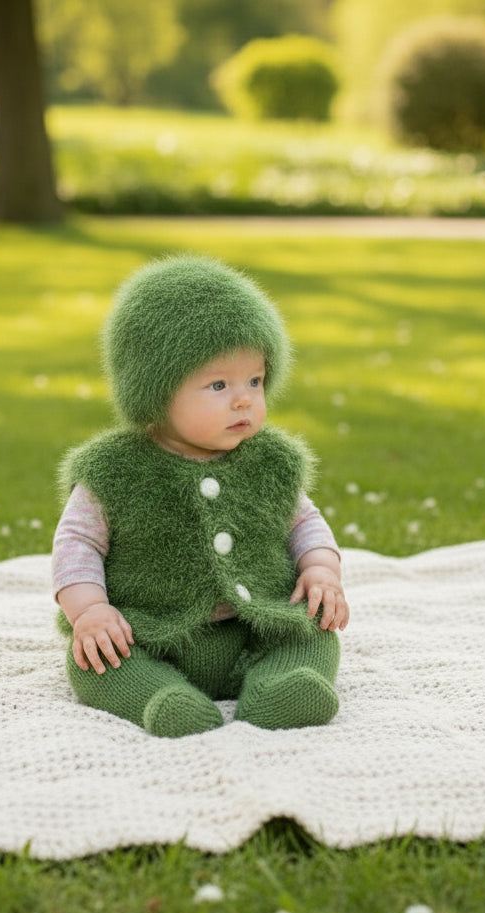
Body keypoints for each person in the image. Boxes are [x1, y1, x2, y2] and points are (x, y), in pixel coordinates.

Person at [51, 255, 349, 737]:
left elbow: (304, 522)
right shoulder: (114, 471)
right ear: (154, 391)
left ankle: (286, 685)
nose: (244, 399)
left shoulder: (269, 460)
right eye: (219, 384)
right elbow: (76, 545)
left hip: (257, 626)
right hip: (149, 633)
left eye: (255, 381)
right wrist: (90, 611)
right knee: (95, 659)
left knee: (314, 631)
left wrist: (320, 570)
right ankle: (160, 698)